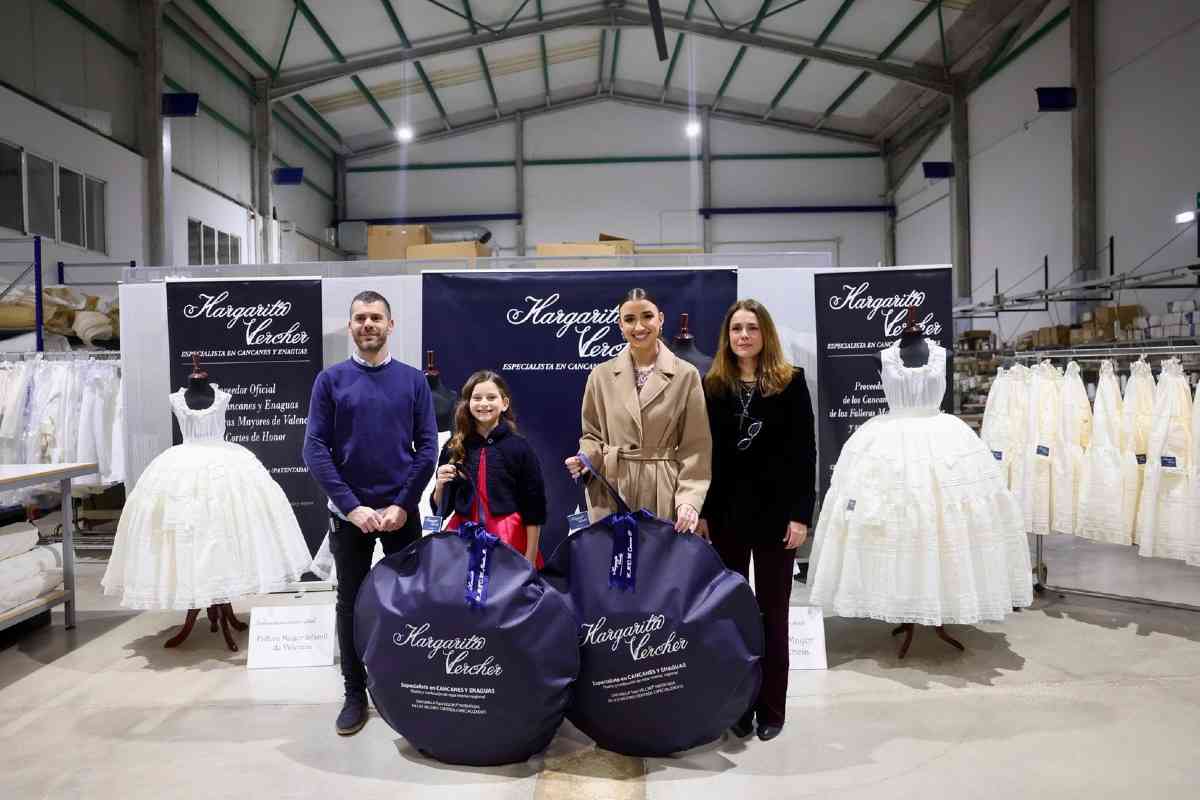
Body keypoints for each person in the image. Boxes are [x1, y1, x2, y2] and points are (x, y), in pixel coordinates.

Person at [302, 290, 438, 736]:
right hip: (350, 517)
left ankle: (409, 686)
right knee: (350, 604)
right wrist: (351, 506)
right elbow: (315, 449)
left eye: (376, 317)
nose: (368, 325)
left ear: (390, 325)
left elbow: (427, 448)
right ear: (350, 327)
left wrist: (402, 503)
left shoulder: (413, 381)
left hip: (401, 513)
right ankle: (354, 693)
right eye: (360, 318)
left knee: (409, 601)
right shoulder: (330, 381)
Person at [699, 299, 816, 743]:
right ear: (727, 337)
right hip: (726, 517)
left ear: (765, 333)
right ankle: (739, 705)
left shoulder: (791, 382)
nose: (744, 335)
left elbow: (805, 454)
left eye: (751, 327)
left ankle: (771, 708)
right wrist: (704, 512)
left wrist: (801, 516)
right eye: (736, 329)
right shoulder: (713, 386)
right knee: (731, 616)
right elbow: (704, 454)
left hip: (776, 519)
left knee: (773, 615)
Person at [565, 287, 711, 533]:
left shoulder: (686, 375)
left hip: (663, 490)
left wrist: (688, 500)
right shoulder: (600, 376)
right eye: (630, 319)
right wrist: (585, 459)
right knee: (615, 557)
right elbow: (592, 435)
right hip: (612, 489)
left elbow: (695, 447)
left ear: (661, 319)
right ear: (620, 325)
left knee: (658, 556)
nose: (639, 326)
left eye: (647, 316)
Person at [432, 370, 548, 567]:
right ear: (468, 403)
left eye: (491, 397)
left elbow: (534, 508)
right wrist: (440, 485)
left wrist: (530, 556)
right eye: (477, 398)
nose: (484, 403)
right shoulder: (453, 447)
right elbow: (441, 508)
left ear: (504, 403)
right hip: (463, 538)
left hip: (509, 538)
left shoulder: (520, 448)